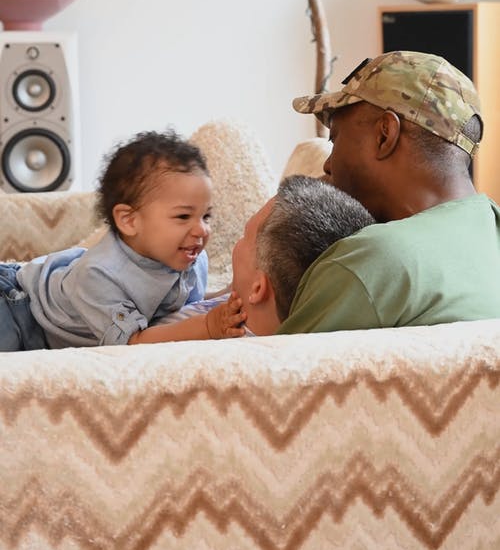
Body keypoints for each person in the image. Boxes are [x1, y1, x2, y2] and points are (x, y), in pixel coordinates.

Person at [280, 50, 500, 335]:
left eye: (335, 140)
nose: (327, 164)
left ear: (385, 134)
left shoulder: (369, 263)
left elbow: (270, 376)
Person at [0, 130, 244, 351]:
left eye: (206, 216)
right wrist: (208, 327)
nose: (201, 229)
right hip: (19, 308)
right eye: (183, 216)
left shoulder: (192, 258)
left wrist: (229, 293)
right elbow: (132, 343)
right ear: (129, 221)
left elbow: (184, 306)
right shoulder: (101, 274)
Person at [188, 174, 374, 336]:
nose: (237, 243)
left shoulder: (221, 341)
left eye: (245, 237)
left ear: (258, 288)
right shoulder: (239, 301)